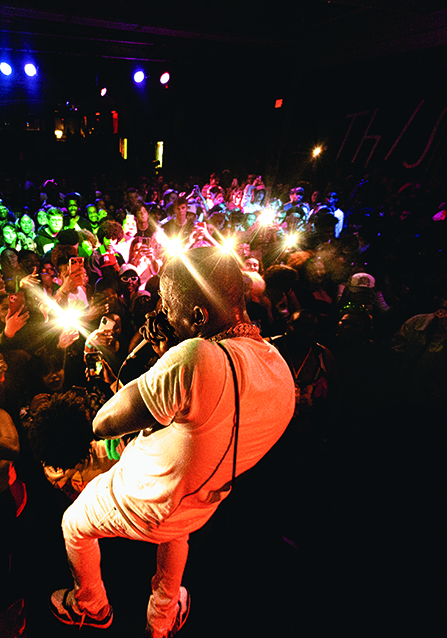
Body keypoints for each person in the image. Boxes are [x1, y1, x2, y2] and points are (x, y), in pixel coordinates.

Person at [50, 246, 294, 637]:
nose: (162, 315)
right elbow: (211, 416)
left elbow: (105, 421)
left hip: (142, 498)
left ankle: (91, 604)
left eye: (167, 307)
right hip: (201, 504)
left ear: (198, 317)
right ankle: (162, 616)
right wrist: (171, 354)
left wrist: (170, 354)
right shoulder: (279, 369)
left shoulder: (197, 356)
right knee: (177, 536)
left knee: (74, 524)